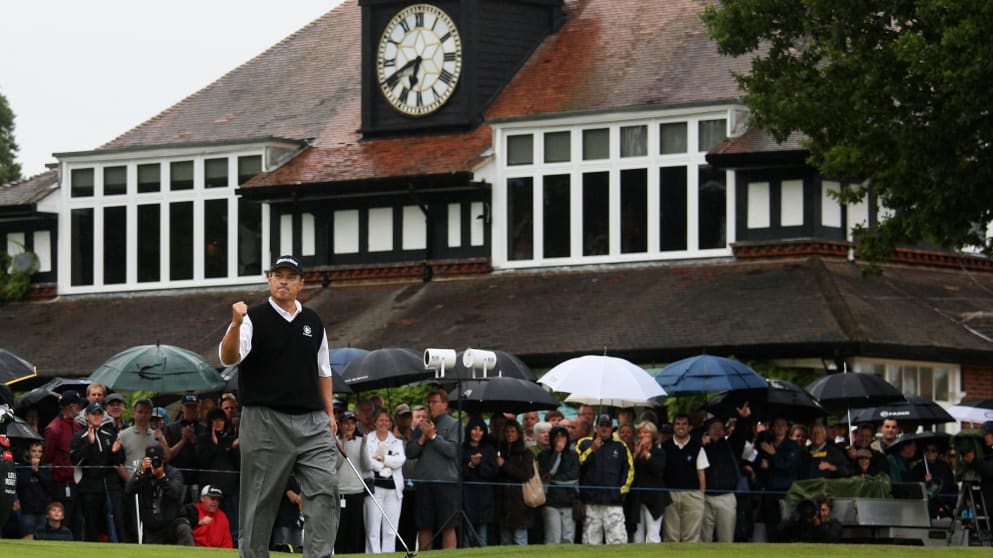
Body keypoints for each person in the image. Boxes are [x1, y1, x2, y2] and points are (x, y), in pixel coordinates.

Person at [219, 254, 340, 558]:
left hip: (313, 422)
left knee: (325, 490)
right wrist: (234, 324)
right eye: (278, 274)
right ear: (269, 279)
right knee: (260, 502)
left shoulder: (313, 321)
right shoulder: (251, 318)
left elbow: (323, 372)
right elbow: (228, 358)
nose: (283, 280)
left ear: (301, 283)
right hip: (264, 421)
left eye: (290, 276)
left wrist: (329, 414)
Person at [405, 390, 460, 550]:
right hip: (424, 481)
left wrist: (434, 437)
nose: (430, 405)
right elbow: (410, 452)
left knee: (448, 525)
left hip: (446, 481)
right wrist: (422, 437)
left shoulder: (454, 424)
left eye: (434, 402)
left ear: (444, 404)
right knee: (424, 525)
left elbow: (452, 451)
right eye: (429, 402)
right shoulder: (421, 426)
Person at [71, 401, 126, 542]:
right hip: (89, 488)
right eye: (93, 414)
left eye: (99, 414)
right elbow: (75, 460)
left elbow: (119, 460)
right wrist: (90, 444)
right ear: (87, 416)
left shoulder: (110, 434)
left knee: (117, 520)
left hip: (110, 486)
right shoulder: (79, 437)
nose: (96, 416)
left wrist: (114, 452)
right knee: (91, 523)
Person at [577, 414, 633, 544]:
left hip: (613, 501)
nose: (604, 428)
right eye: (601, 425)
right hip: (591, 501)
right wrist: (592, 450)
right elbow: (578, 464)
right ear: (596, 427)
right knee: (590, 542)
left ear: (612, 428)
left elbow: (629, 470)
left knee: (617, 540)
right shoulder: (584, 443)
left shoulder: (621, 447)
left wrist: (620, 491)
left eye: (607, 425)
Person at [127, 446, 194, 546]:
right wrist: (140, 473)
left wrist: (161, 477)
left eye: (157, 460)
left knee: (184, 528)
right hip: (152, 526)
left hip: (173, 522)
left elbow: (175, 493)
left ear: (163, 459)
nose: (154, 464)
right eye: (150, 460)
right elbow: (128, 491)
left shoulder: (174, 473)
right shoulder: (143, 474)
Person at [195, 406, 240, 544]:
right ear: (209, 422)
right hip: (210, 491)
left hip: (229, 490)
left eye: (221, 419)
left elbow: (238, 464)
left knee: (233, 527)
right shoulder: (203, 439)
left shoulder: (231, 439)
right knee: (208, 525)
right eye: (215, 420)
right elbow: (200, 462)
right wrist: (213, 445)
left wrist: (233, 449)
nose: (218, 423)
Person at [755, 416, 804, 541]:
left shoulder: (793, 446)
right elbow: (757, 467)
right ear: (772, 427)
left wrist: (774, 455)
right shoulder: (766, 444)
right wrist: (762, 465)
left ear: (787, 428)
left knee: (786, 526)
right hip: (769, 491)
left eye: (783, 425)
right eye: (777, 425)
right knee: (771, 527)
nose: (780, 428)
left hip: (786, 492)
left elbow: (789, 467)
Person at [662, 414, 709, 543]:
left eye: (684, 424)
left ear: (689, 427)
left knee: (691, 537)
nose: (680, 427)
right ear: (674, 427)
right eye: (677, 424)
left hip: (692, 495)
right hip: (670, 495)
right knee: (671, 537)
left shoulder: (697, 447)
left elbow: (701, 473)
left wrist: (701, 496)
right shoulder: (664, 447)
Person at [365, 408, 406, 554]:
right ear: (375, 422)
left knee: (390, 530)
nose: (384, 423)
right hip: (374, 490)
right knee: (373, 530)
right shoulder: (368, 439)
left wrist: (382, 458)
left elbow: (400, 461)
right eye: (381, 420)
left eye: (387, 420)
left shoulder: (397, 442)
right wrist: (386, 462)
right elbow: (368, 462)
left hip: (393, 490)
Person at [43, 389, 83, 539]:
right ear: (70, 406)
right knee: (64, 518)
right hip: (61, 481)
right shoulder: (54, 428)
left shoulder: (77, 426)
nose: (79, 408)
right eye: (77, 404)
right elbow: (48, 456)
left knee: (78, 520)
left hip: (77, 479)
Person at [538, 424, 579, 545]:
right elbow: (548, 472)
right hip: (551, 501)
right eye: (556, 437)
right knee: (553, 538)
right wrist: (557, 453)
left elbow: (573, 476)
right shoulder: (544, 455)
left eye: (563, 436)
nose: (560, 440)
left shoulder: (573, 455)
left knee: (568, 538)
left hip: (569, 500)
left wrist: (553, 479)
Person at [334, 411, 368, 555]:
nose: (349, 426)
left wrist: (365, 444)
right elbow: (335, 464)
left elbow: (366, 465)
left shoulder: (361, 441)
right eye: (346, 423)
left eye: (352, 423)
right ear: (340, 425)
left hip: (357, 492)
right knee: (340, 531)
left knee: (354, 531)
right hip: (340, 492)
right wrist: (342, 443)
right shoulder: (334, 441)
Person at [495, 419, 534, 545]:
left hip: (519, 503)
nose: (509, 434)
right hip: (503, 502)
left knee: (519, 539)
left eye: (512, 431)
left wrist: (504, 464)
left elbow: (525, 474)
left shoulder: (525, 453)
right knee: (505, 541)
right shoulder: (500, 451)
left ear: (518, 433)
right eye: (507, 432)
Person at [164, 392, 207, 503]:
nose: (191, 410)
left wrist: (193, 439)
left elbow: (206, 457)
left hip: (197, 480)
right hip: (177, 479)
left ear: (198, 408)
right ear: (182, 408)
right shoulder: (171, 428)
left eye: (194, 406)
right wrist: (183, 439)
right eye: (188, 406)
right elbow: (167, 456)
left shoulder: (205, 429)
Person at [629, 421, 668, 544]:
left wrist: (646, 453)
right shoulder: (635, 451)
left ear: (652, 435)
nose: (641, 435)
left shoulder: (659, 452)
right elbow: (630, 472)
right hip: (638, 498)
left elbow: (658, 470)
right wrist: (635, 454)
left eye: (645, 432)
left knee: (653, 536)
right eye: (640, 432)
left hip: (654, 499)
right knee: (637, 538)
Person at [461, 417, 497, 547]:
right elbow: (460, 472)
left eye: (481, 430)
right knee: (467, 533)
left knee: (482, 532)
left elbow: (493, 472)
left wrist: (479, 464)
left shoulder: (489, 449)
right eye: (474, 429)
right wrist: (471, 464)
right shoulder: (462, 449)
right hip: (467, 495)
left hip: (484, 495)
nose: (477, 432)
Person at [909, 441, 957, 518]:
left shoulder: (944, 467)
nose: (929, 453)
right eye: (927, 450)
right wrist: (925, 483)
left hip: (944, 508)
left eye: (933, 450)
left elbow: (952, 487)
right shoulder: (918, 468)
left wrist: (948, 505)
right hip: (925, 510)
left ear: (937, 453)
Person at [15, 441, 53, 536]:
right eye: (34, 451)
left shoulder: (44, 467)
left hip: (42, 508)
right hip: (26, 509)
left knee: (42, 538)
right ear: (27, 452)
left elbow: (49, 484)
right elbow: (20, 484)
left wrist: (37, 470)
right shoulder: (21, 467)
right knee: (28, 536)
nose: (37, 454)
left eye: (40, 451)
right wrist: (31, 468)